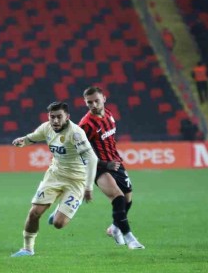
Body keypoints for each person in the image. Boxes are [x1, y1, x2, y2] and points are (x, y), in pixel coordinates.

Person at [10, 101, 98, 257]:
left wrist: (89, 187)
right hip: (55, 175)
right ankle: (27, 249)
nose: (55, 121)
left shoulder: (76, 133)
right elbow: (32, 138)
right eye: (52, 117)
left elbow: (92, 158)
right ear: (48, 117)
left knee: (59, 224)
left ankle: (60, 209)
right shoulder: (46, 127)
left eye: (59, 117)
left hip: (77, 180)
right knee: (34, 212)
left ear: (67, 117)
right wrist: (22, 141)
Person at [77, 86, 144, 249]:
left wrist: (113, 158)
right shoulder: (85, 125)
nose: (93, 104)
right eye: (89, 102)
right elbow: (81, 152)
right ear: (85, 103)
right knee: (118, 197)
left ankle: (115, 228)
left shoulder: (109, 114)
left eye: (96, 101)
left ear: (104, 99)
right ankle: (130, 238)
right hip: (98, 166)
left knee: (128, 199)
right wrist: (105, 164)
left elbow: (109, 140)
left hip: (115, 161)